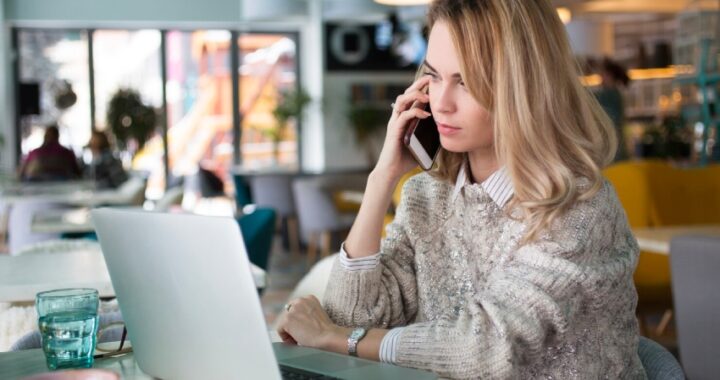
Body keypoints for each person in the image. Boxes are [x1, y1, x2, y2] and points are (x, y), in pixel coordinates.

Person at [276, 1, 646, 379]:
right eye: (434, 77)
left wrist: (340, 339)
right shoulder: (427, 196)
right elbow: (351, 315)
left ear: (525, 87)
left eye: (466, 81)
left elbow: (487, 349)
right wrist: (381, 178)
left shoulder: (579, 209)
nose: (441, 103)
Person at [595, 58, 631, 162]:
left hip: (613, 146)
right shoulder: (616, 93)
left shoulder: (609, 95)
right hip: (617, 144)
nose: (600, 77)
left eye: (602, 74)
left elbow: (586, 97)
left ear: (609, 76)